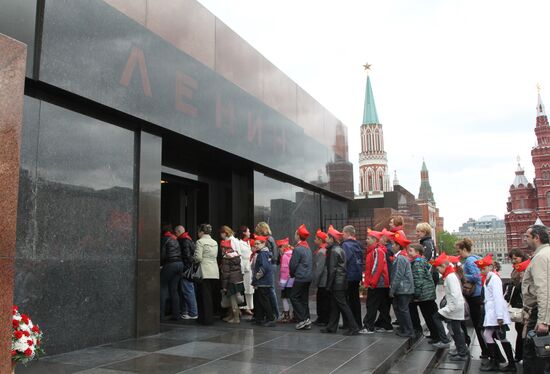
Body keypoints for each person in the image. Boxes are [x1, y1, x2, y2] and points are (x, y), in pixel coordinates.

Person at [476, 254, 515, 372]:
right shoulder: (488, 279)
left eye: (484, 268)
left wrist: (499, 316)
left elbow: (498, 298)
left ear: (491, 267)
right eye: (481, 268)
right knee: (491, 335)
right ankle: (498, 361)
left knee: (498, 336)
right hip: (492, 312)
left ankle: (505, 363)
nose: (481, 270)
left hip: (496, 313)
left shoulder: (494, 279)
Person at [321, 225, 360, 336]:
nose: (326, 239)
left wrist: (328, 285)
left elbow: (332, 269)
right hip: (340, 281)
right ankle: (331, 327)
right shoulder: (338, 248)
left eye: (327, 237)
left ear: (332, 238)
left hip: (337, 282)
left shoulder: (334, 250)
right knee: (335, 305)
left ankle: (353, 327)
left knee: (343, 304)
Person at [522, 225, 550, 374]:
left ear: (536, 238)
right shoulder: (545, 253)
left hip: (540, 312)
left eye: (527, 236)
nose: (525, 239)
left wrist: (543, 320)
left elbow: (543, 289)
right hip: (542, 311)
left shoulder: (541, 257)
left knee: (533, 355)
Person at [430, 253, 469, 361]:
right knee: (456, 330)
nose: (438, 271)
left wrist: (449, 309)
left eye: (438, 269)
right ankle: (461, 351)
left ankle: (457, 350)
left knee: (438, 318)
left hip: (454, 308)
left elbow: (455, 295)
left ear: (443, 266)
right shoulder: (450, 275)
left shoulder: (450, 277)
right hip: (454, 307)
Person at [456, 237, 489, 358]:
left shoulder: (470, 261)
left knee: (478, 325)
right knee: (479, 324)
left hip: (474, 296)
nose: (458, 254)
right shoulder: (475, 258)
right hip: (477, 295)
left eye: (459, 251)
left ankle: (486, 351)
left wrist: (463, 275)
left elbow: (477, 276)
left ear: (464, 249)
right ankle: (486, 350)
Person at [360, 229, 392, 334]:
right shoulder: (377, 250)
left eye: (368, 238)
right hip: (381, 283)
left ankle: (368, 326)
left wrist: (371, 283)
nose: (366, 240)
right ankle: (387, 325)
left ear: (374, 239)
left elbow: (376, 268)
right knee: (382, 305)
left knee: (371, 304)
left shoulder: (377, 251)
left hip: (378, 284)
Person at [407, 243, 439, 340]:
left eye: (411, 251)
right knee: (429, 316)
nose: (408, 253)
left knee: (429, 316)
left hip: (424, 294)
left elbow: (418, 279)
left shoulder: (417, 263)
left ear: (417, 252)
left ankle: (436, 336)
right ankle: (435, 335)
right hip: (427, 294)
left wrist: (416, 295)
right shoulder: (421, 261)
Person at [505, 248, 529, 362]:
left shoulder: (524, 269)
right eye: (512, 259)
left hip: (523, 305)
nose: (513, 261)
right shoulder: (516, 270)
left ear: (521, 257)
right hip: (517, 305)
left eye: (516, 258)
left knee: (522, 332)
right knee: (519, 331)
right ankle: (519, 355)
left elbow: (523, 287)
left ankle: (522, 356)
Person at [390, 232, 415, 338]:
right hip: (403, 288)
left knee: (403, 310)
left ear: (397, 246)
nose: (391, 246)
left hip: (403, 289)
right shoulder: (401, 256)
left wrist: (392, 290)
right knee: (400, 309)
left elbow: (398, 275)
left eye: (393, 244)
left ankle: (408, 331)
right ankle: (405, 329)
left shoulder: (400, 258)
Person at [194, 223, 219, 325]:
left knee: (203, 296)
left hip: (204, 270)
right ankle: (209, 318)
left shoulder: (200, 242)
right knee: (209, 296)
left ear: (201, 232)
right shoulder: (215, 242)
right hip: (214, 270)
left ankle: (204, 318)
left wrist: (193, 259)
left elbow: (198, 258)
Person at [290, 224, 313, 330]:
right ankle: (307, 319)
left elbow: (293, 264)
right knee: (303, 299)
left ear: (298, 236)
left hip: (300, 277)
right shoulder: (307, 248)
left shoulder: (298, 249)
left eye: (295, 233)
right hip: (308, 277)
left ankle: (302, 319)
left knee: (294, 297)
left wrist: (292, 274)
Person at [255, 222, 280, 319]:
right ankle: (272, 313)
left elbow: (269, 255)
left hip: (269, 265)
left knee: (270, 289)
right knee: (269, 290)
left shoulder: (268, 239)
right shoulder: (270, 238)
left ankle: (275, 313)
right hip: (271, 265)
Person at [341, 225, 364, 328]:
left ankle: (349, 323)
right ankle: (358, 322)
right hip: (357, 275)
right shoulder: (358, 245)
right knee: (355, 300)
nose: (342, 235)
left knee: (348, 300)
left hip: (348, 275)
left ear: (348, 233)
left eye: (343, 233)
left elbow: (345, 260)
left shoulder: (346, 245)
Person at [251, 235, 276, 327]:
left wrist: (256, 277)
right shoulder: (265, 253)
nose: (256, 245)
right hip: (264, 281)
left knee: (264, 300)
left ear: (264, 243)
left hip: (263, 282)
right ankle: (259, 318)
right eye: (255, 244)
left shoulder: (262, 254)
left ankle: (271, 318)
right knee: (260, 300)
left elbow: (264, 268)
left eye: (258, 243)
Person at [160, 225, 184, 321]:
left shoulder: (165, 239)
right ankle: (176, 315)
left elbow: (162, 254)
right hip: (179, 264)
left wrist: (161, 263)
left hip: (171, 264)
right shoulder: (174, 238)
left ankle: (160, 315)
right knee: (174, 290)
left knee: (162, 286)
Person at [174, 225, 198, 320]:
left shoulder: (183, 240)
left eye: (176, 233)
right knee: (187, 290)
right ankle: (186, 311)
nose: (175, 235)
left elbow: (187, 256)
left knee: (188, 290)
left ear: (179, 232)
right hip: (190, 269)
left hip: (186, 270)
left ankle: (193, 313)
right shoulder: (189, 239)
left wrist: (185, 269)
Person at [220, 239, 245, 324]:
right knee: (234, 299)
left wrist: (224, 286)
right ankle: (231, 316)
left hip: (231, 281)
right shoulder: (236, 255)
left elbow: (226, 274)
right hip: (238, 279)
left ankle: (236, 318)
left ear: (224, 248)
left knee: (233, 300)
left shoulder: (226, 258)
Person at [312, 229, 330, 326]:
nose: (314, 240)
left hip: (323, 280)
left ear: (320, 240)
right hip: (327, 280)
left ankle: (322, 319)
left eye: (315, 238)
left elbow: (319, 269)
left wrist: (315, 282)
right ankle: (324, 318)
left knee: (322, 300)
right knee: (325, 300)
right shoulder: (326, 250)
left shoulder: (321, 252)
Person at [236, 226, 254, 315]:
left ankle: (249, 307)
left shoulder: (248, 242)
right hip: (243, 266)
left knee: (249, 287)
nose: (250, 233)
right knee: (243, 287)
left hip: (249, 266)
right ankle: (242, 306)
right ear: (243, 233)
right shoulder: (239, 243)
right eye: (248, 231)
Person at [277, 238, 294, 323]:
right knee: (293, 298)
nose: (278, 249)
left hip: (287, 282)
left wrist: (282, 284)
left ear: (283, 247)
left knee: (284, 298)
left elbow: (284, 271)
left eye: (279, 247)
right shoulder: (292, 253)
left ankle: (286, 315)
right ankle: (295, 314)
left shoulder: (284, 256)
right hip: (294, 280)